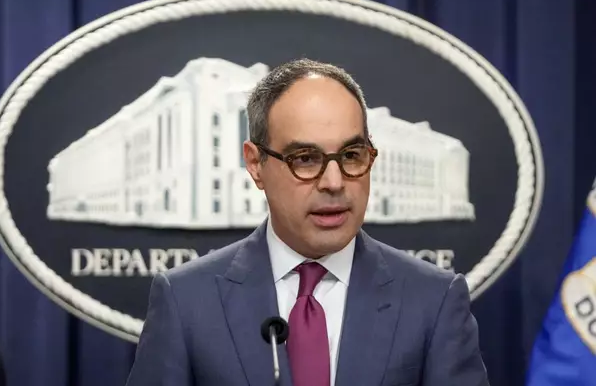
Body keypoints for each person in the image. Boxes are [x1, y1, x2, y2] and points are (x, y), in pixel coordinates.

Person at [125, 58, 490, 386]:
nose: (334, 182)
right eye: (305, 159)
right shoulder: (186, 301)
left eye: (351, 154)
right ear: (255, 164)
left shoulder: (433, 300)